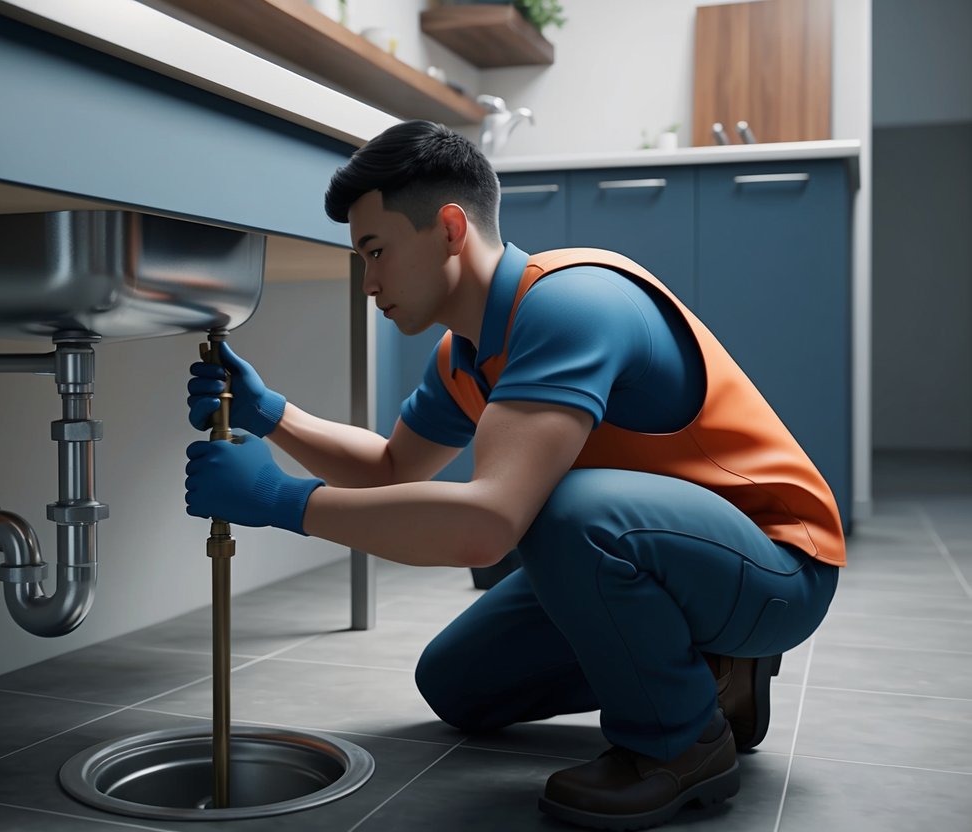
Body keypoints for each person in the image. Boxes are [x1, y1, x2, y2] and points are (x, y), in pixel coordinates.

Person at [184, 120, 844, 830]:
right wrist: (270, 413)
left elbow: (487, 527)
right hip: (659, 554)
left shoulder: (570, 304)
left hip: (777, 565)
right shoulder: (465, 354)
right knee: (457, 685)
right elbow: (389, 468)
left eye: (376, 252)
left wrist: (276, 499)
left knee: (565, 511)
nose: (368, 282)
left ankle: (678, 745)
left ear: (447, 228)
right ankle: (713, 671)